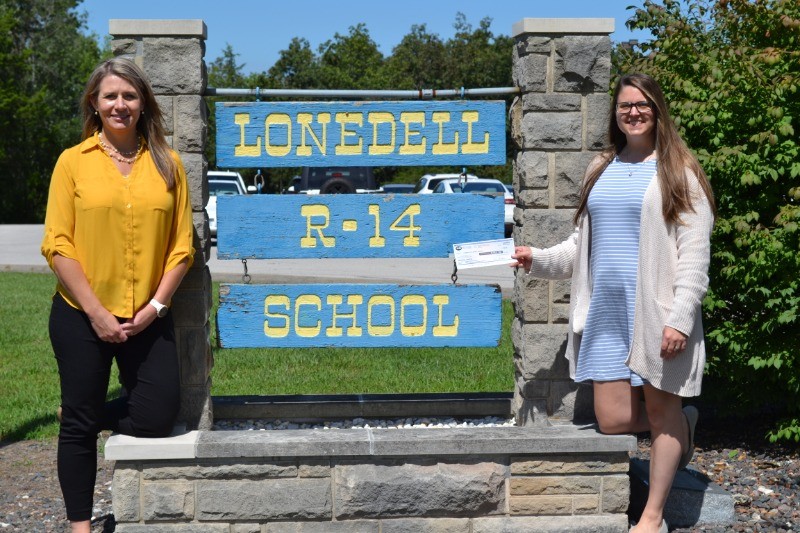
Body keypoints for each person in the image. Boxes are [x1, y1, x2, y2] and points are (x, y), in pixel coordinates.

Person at [511, 73, 715, 533]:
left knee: (660, 412)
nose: (633, 112)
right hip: (606, 314)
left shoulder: (677, 171)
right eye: (625, 106)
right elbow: (580, 244)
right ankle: (684, 423)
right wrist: (536, 260)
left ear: (657, 110)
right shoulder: (600, 167)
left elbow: (694, 255)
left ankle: (652, 515)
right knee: (613, 418)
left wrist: (680, 319)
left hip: (656, 314)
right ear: (615, 114)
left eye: (642, 104)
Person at [41, 57, 194, 533]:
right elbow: (57, 244)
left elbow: (182, 247)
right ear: (95, 102)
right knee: (79, 429)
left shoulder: (169, 165)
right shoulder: (72, 162)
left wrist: (155, 309)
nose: (120, 105)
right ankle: (80, 526)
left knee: (158, 413)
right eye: (111, 96)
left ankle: (85, 410)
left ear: (143, 102)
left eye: (130, 96)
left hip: (145, 317)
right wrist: (96, 313)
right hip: (80, 315)